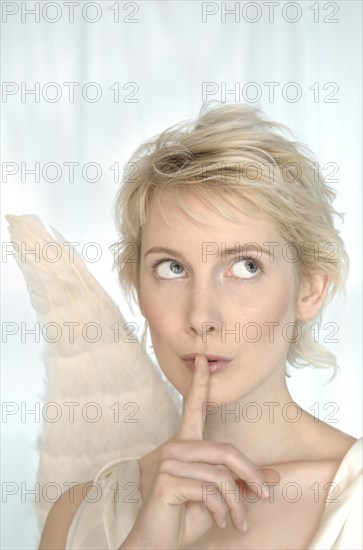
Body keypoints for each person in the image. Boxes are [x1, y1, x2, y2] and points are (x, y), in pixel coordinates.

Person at [39, 102, 362, 549]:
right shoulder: (79, 515)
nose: (202, 318)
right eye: (172, 268)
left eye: (246, 267)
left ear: (309, 289)